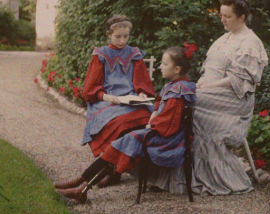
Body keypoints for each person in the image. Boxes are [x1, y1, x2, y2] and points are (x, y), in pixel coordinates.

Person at [149, 0, 268, 195]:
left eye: (227, 16)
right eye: (221, 15)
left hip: (233, 100)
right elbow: (208, 71)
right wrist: (200, 84)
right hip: (211, 92)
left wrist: (204, 88)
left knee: (187, 101)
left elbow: (237, 80)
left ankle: (196, 175)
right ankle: (168, 170)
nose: (222, 19)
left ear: (241, 17)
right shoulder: (224, 38)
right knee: (177, 97)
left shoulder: (250, 43)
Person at [53, 46, 197, 204]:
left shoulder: (179, 90)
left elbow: (169, 124)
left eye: (164, 64)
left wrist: (151, 123)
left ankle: (81, 183)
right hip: (160, 134)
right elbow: (160, 105)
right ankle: (82, 186)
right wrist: (155, 113)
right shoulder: (174, 86)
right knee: (120, 146)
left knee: (122, 144)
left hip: (166, 140)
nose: (160, 67)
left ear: (177, 69)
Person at [55, 15, 155, 189]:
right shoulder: (101, 54)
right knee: (120, 123)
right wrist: (106, 96)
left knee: (144, 117)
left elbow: (142, 81)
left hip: (130, 100)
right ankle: (112, 171)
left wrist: (141, 94)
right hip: (107, 100)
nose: (122, 40)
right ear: (109, 34)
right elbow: (90, 87)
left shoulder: (134, 54)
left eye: (126, 36)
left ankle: (113, 172)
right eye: (118, 36)